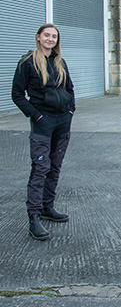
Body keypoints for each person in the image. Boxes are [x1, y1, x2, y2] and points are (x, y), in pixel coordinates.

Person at [12, 23, 75, 240]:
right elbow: (17, 94)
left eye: (54, 36)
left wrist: (70, 111)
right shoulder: (28, 62)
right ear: (38, 37)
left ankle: (48, 207)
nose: (50, 39)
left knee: (55, 167)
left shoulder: (60, 62)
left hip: (62, 122)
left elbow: (69, 89)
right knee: (40, 168)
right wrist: (36, 115)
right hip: (43, 122)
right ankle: (34, 217)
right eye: (46, 35)